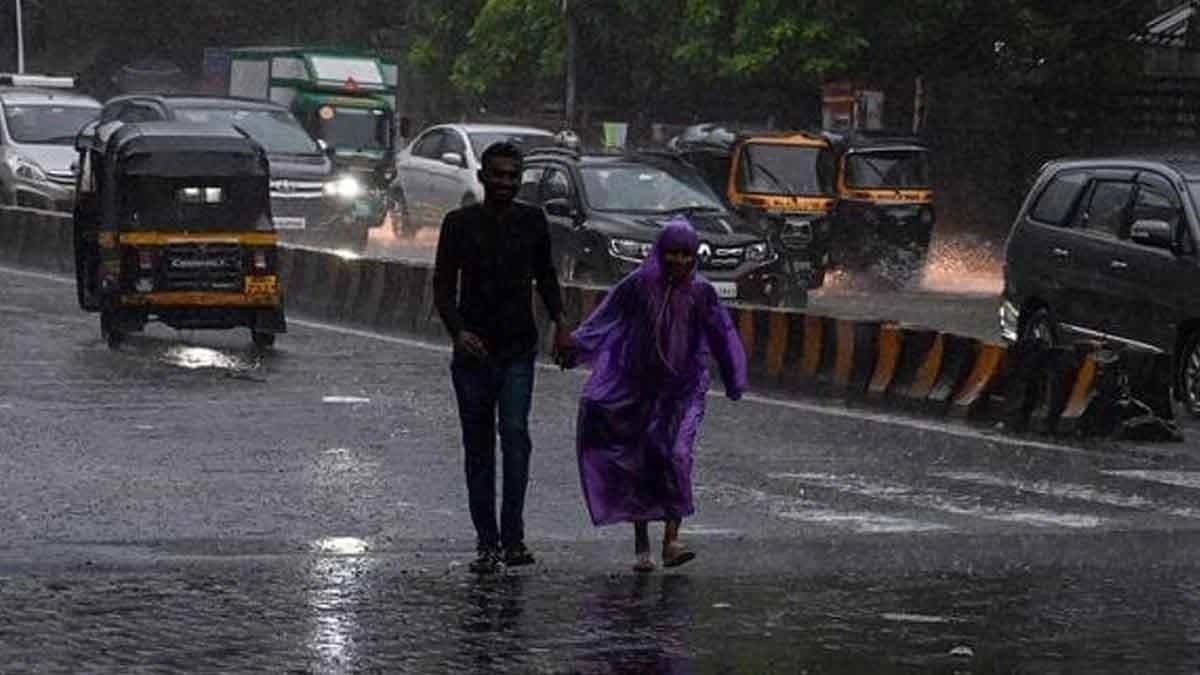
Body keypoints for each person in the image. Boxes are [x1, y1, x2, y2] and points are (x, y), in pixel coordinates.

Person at [566, 217, 747, 572]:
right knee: (641, 457)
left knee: (676, 454)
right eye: (672, 253)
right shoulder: (637, 286)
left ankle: (672, 540)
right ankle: (642, 541)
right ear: (660, 253)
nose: (679, 261)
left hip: (684, 390)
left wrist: (734, 377)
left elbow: (722, 335)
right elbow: (605, 319)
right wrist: (574, 347)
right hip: (639, 387)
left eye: (686, 254)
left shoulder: (702, 293)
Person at [433, 141, 573, 574]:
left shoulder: (532, 222)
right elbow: (443, 287)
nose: (505, 183)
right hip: (474, 354)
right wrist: (459, 333)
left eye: (513, 176)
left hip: (517, 349)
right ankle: (486, 542)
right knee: (479, 448)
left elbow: (546, 276)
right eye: (497, 175)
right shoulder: (459, 223)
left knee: (515, 437)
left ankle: (513, 538)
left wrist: (561, 322)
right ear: (482, 177)